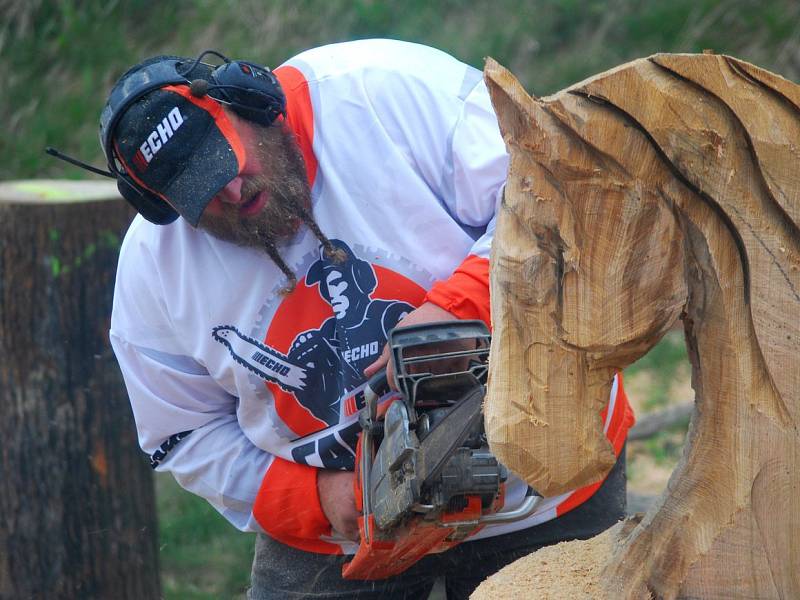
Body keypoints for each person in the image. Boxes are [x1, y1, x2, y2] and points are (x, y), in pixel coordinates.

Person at [105, 39, 634, 599]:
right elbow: (184, 434)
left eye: (228, 162)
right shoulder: (153, 274)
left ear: (250, 99)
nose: (234, 191)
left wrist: (459, 308)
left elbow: (555, 192)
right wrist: (318, 499)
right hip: (343, 534)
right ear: (165, 208)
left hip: (543, 481)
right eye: (204, 192)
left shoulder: (387, 93)